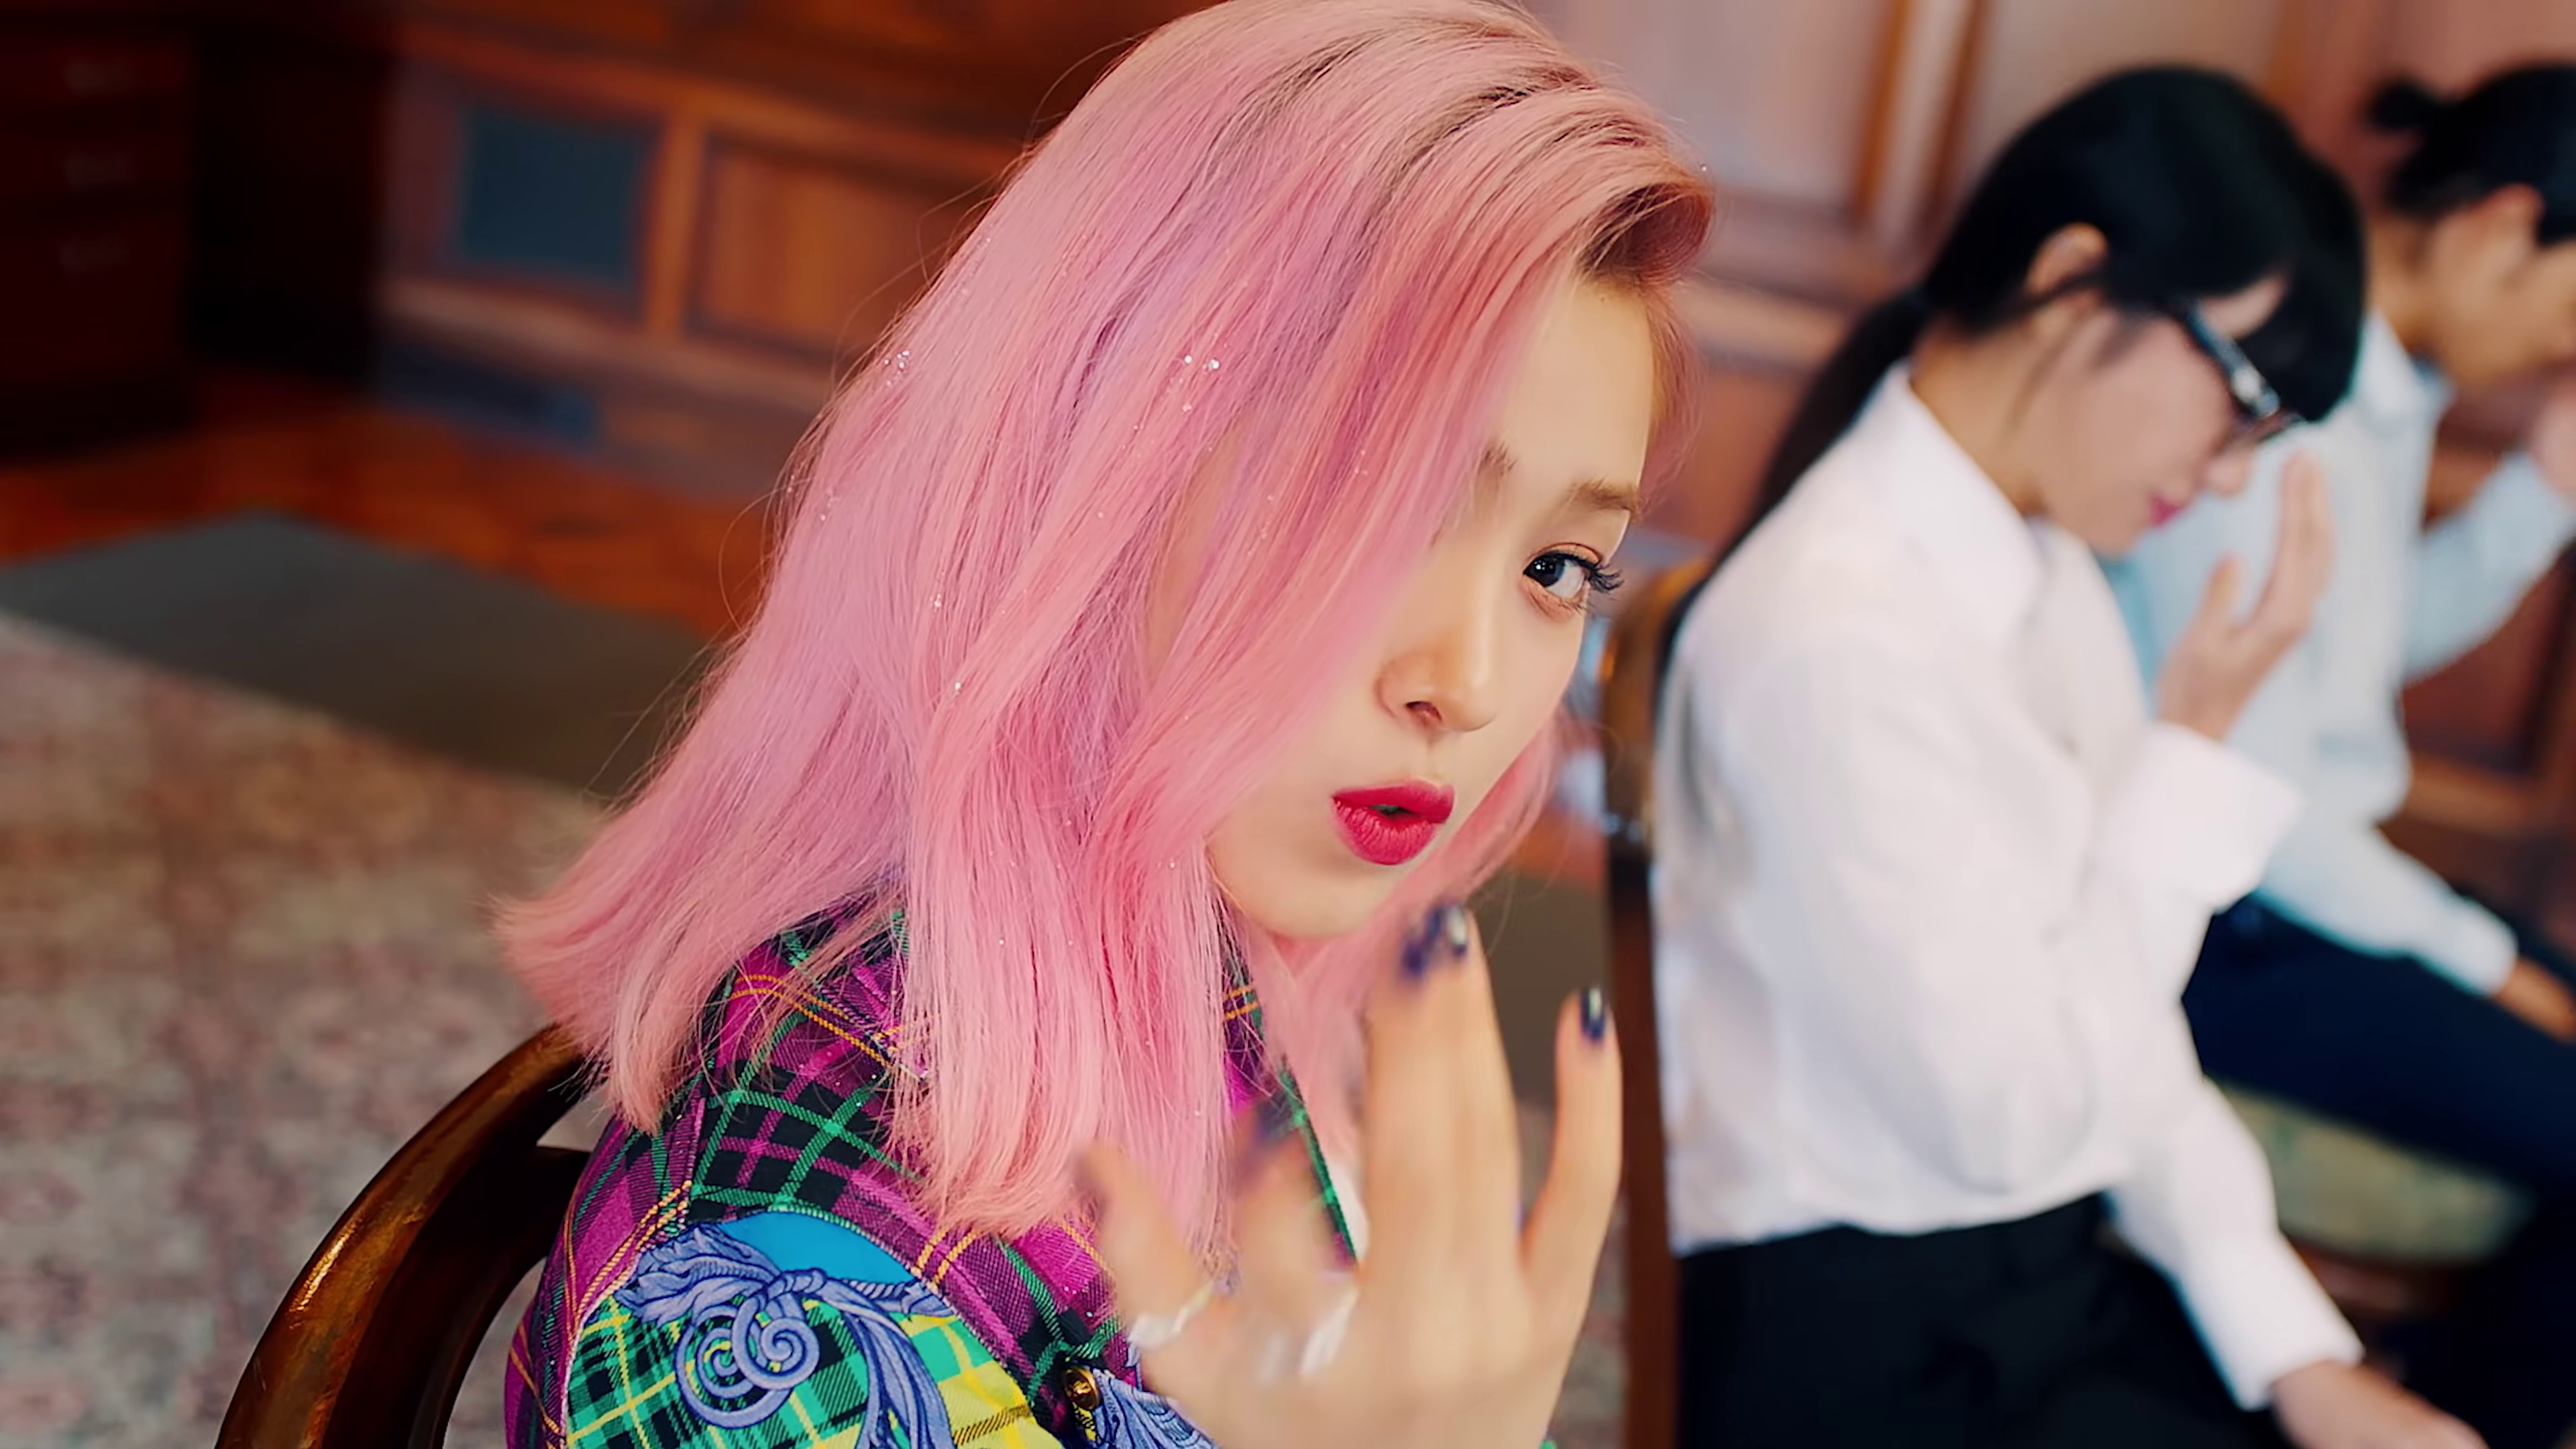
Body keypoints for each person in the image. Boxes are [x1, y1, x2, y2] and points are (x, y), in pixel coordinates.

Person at [494, 3, 1713, 1446]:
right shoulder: (792, 1286)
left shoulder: (1196, 945)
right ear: (1091, 469)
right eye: (1378, 515)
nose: (1472, 682)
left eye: (1557, 569)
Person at [1653, 68, 2480, 1448]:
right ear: (2072, 280)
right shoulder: (1830, 634)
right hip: (1858, 1339)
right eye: (2242, 399)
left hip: (2034, 1278)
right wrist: (2193, 750)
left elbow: (2125, 1034)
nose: (2231, 475)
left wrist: (2293, 1348)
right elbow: (2013, 1121)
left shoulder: (2047, 572)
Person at [2109, 66, 2576, 1449]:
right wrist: (2481, 962)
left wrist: (2543, 490)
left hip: (2303, 895)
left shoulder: (2388, 386)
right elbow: (2263, 807)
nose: (2565, 349)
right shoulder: (2292, 393)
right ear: (2505, 225)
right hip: (2234, 921)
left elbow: (2359, 648)